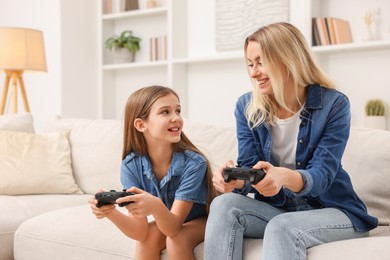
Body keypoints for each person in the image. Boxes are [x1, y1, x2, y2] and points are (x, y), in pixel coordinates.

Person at [204, 22, 378, 260]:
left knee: (282, 226)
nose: (254, 72)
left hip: (334, 210)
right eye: (250, 64)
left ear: (287, 59)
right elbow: (249, 167)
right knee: (224, 205)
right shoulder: (247, 107)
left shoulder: (334, 105)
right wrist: (234, 181)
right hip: (278, 208)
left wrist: (283, 177)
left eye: (261, 62)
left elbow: (323, 175)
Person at [89, 85, 216, 260]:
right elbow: (140, 232)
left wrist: (155, 205)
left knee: (176, 240)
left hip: (204, 219)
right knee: (146, 240)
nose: (176, 118)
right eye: (165, 112)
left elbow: (173, 228)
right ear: (141, 125)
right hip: (170, 219)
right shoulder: (131, 165)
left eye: (178, 111)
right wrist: (111, 213)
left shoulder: (194, 164)